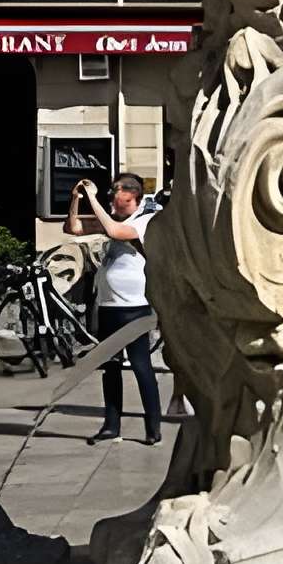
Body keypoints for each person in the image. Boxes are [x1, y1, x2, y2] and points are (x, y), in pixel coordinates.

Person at [65, 173, 163, 446]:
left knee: (142, 367)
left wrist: (93, 199)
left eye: (119, 201)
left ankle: (153, 427)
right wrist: (76, 199)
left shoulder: (146, 221)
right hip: (109, 306)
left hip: (135, 308)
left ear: (134, 198)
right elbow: (73, 228)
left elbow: (115, 232)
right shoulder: (113, 219)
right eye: (112, 199)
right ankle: (111, 425)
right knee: (110, 367)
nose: (113, 205)